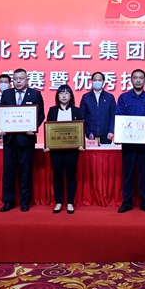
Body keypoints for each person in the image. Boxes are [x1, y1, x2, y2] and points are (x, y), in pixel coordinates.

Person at [0, 68, 45, 212]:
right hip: (9, 140)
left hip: (26, 139)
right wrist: (1, 127)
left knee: (26, 172)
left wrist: (34, 126)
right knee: (8, 172)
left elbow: (41, 114)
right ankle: (9, 202)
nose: (18, 81)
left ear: (27, 79)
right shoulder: (6, 94)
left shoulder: (35, 94)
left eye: (21, 78)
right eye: (15, 79)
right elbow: (2, 113)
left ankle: (25, 202)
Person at [116, 69, 145, 213]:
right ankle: (127, 202)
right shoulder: (123, 98)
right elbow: (119, 117)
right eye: (135, 77)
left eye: (141, 78)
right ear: (131, 80)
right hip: (128, 142)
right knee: (128, 173)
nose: (138, 80)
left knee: (144, 173)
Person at [45, 85, 83, 214]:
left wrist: (81, 143)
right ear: (57, 96)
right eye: (61, 93)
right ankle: (59, 202)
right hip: (56, 150)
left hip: (72, 150)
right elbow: (48, 129)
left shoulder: (76, 111)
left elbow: (80, 128)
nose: (64, 95)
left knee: (71, 176)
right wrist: (48, 144)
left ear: (71, 96)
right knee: (57, 176)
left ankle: (70, 203)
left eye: (67, 93)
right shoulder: (52, 110)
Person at [79, 72, 116, 144]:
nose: (97, 82)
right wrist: (83, 132)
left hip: (106, 134)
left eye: (99, 80)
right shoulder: (86, 97)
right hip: (89, 134)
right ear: (92, 81)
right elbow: (82, 115)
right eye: (95, 80)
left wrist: (111, 131)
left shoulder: (110, 97)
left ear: (103, 81)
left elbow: (113, 115)